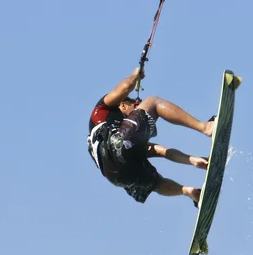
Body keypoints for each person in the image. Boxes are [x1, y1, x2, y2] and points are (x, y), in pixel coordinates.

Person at [87, 67, 215, 206]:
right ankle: (206, 127)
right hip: (116, 146)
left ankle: (190, 192)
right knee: (153, 101)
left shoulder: (122, 139)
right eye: (135, 105)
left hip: (117, 178)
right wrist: (135, 75)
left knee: (156, 183)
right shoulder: (102, 110)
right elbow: (126, 87)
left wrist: (193, 160)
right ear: (122, 105)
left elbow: (162, 151)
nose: (138, 108)